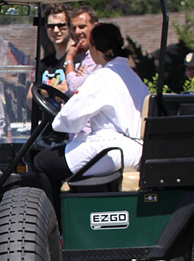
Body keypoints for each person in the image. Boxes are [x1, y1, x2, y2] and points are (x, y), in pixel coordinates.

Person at [34, 23, 148, 206]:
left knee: (42, 162)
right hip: (136, 150)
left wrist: (59, 119)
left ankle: (56, 228)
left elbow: (70, 118)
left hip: (110, 149)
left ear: (95, 49)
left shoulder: (101, 77)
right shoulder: (134, 77)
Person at [64, 5, 100, 94]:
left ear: (95, 27)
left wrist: (69, 59)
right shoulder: (84, 54)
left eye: (82, 27)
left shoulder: (98, 54)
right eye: (74, 28)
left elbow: (73, 87)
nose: (77, 32)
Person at [40, 3, 74, 92]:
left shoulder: (81, 58)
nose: (55, 30)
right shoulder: (44, 64)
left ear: (70, 26)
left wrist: (43, 90)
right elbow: (31, 96)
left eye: (61, 26)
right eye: (50, 26)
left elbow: (69, 90)